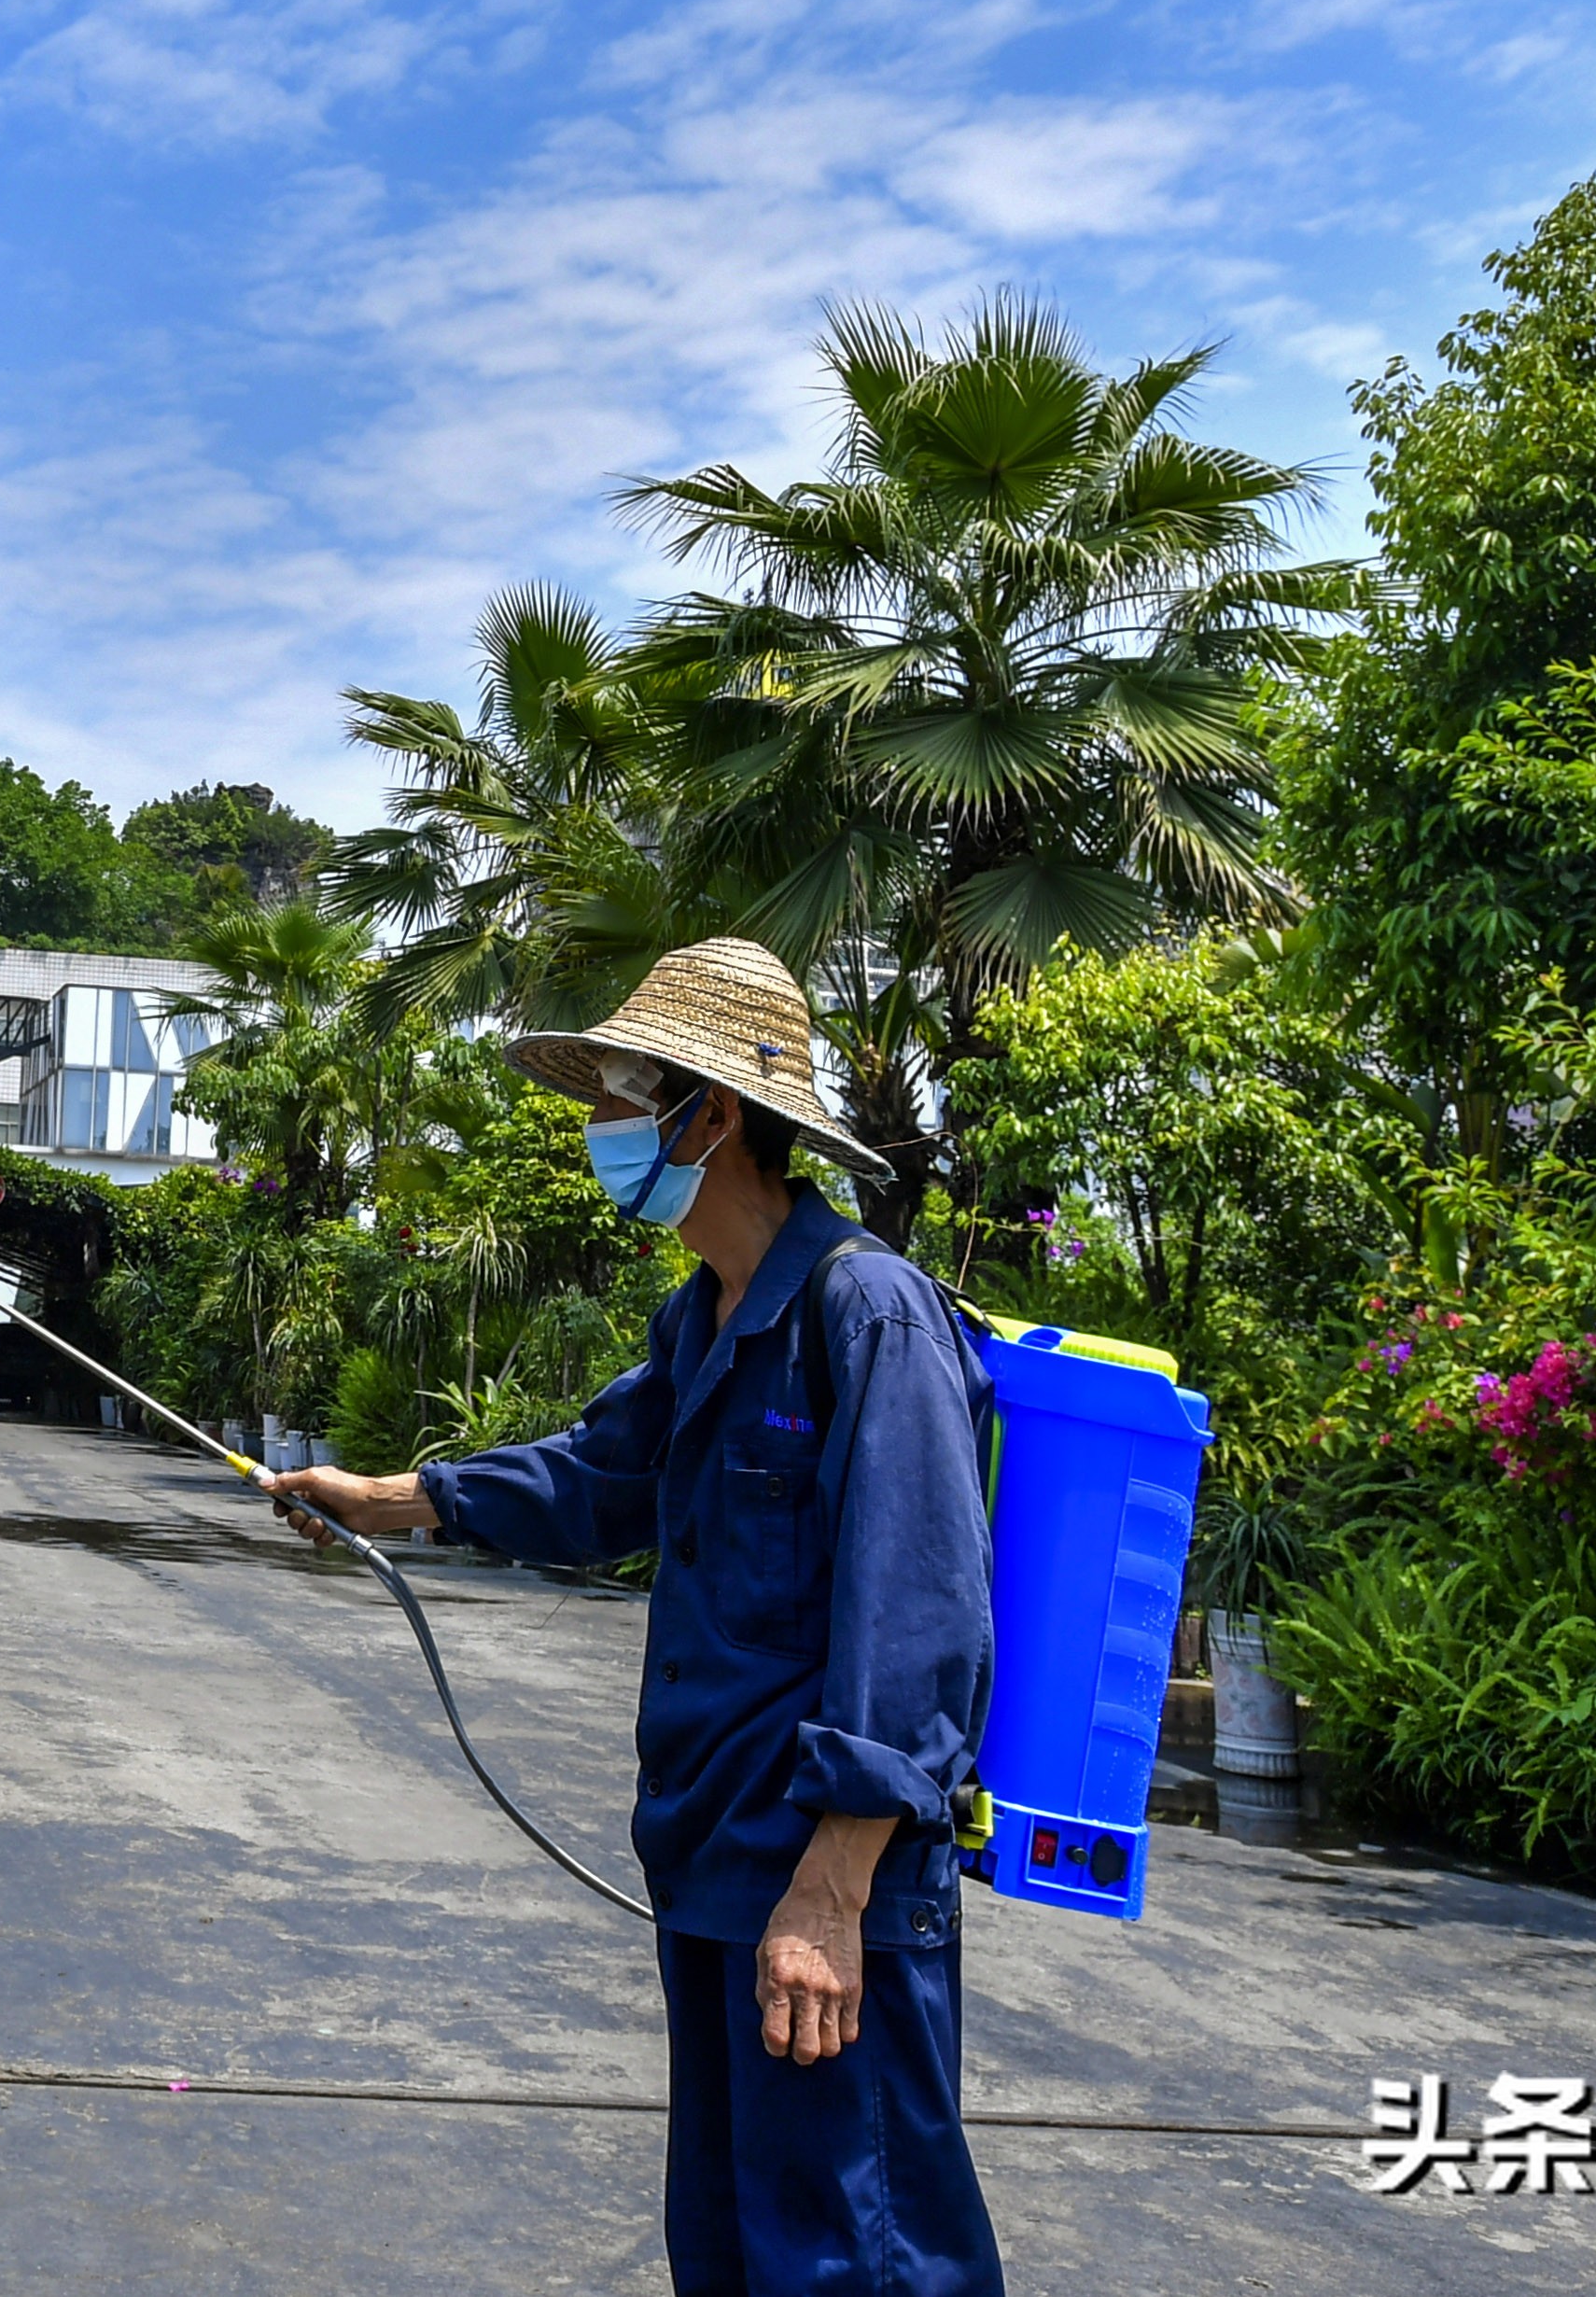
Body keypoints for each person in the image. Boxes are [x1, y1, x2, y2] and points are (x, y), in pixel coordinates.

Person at [271, 938, 1002, 2297]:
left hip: (820, 1881)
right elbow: (600, 1478)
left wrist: (832, 1889)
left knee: (856, 2258)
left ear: (709, 1116)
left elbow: (921, 1618)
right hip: (715, 1870)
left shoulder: (868, 1313)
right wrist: (390, 1499)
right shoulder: (702, 1319)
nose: (601, 1128)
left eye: (621, 1094)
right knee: (730, 2249)